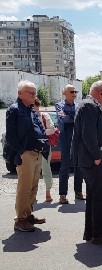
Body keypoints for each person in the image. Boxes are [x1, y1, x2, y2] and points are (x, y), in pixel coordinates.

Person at [71, 80, 102, 245]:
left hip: (90, 159)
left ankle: (91, 232)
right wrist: (97, 156)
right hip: (92, 160)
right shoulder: (89, 106)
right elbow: (88, 135)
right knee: (99, 195)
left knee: (93, 196)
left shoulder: (88, 105)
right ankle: (99, 234)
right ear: (100, 92)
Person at [6, 80, 48, 232]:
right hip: (25, 153)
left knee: (33, 186)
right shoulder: (14, 110)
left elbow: (38, 128)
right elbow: (10, 136)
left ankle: (28, 214)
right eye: (30, 92)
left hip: (36, 152)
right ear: (20, 93)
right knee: (24, 187)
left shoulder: (30, 109)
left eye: (34, 92)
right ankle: (20, 219)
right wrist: (21, 152)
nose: (34, 95)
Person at [56, 84, 85, 204]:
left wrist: (70, 116)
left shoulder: (79, 106)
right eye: (71, 92)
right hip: (66, 138)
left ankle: (78, 192)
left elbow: (81, 120)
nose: (74, 94)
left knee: (79, 167)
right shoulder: (59, 105)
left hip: (78, 138)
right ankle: (62, 194)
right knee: (65, 167)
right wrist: (73, 117)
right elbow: (63, 120)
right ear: (65, 93)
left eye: (75, 92)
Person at [34, 98, 55, 203]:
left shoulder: (44, 116)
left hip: (44, 146)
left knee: (46, 169)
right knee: (33, 171)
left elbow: (52, 129)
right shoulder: (28, 116)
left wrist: (40, 133)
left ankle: (48, 193)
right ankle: (33, 194)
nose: (34, 109)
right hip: (31, 146)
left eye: (35, 107)